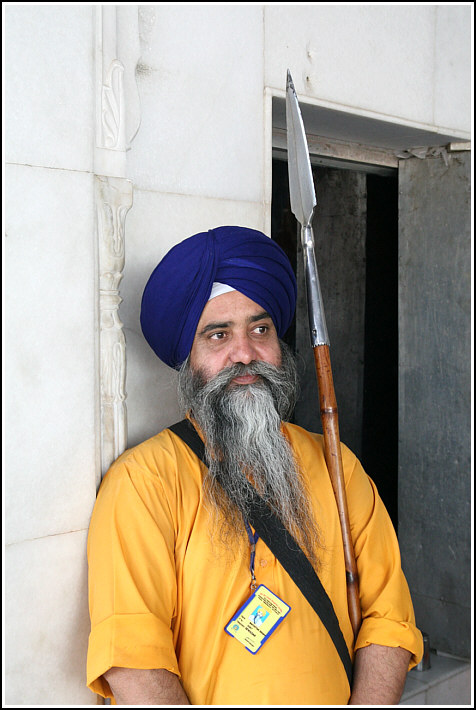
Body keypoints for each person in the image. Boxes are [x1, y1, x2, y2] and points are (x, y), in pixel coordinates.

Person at [86, 225, 423, 705]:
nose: (244, 353)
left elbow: (389, 621)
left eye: (260, 330)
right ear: (188, 358)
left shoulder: (336, 466)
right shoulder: (144, 482)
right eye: (218, 335)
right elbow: (132, 658)